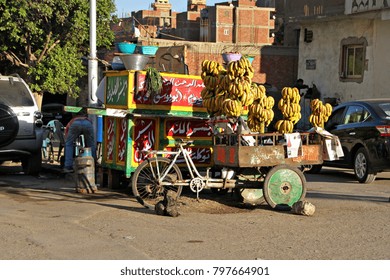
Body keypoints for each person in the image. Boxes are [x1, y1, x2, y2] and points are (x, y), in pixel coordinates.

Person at [63, 108, 96, 173]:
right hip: (87, 124)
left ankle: (68, 166)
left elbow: (66, 132)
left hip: (75, 124)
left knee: (69, 144)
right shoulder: (88, 120)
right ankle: (94, 163)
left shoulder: (72, 120)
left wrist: (66, 140)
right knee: (91, 144)